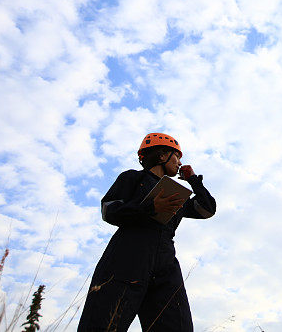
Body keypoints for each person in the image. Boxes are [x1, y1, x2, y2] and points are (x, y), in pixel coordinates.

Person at [77, 132, 216, 332]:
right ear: (162, 156)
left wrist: (193, 180)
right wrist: (149, 207)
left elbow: (207, 209)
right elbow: (109, 210)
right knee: (105, 324)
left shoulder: (175, 194)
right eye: (176, 156)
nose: (179, 163)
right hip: (127, 257)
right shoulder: (132, 178)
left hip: (165, 263)